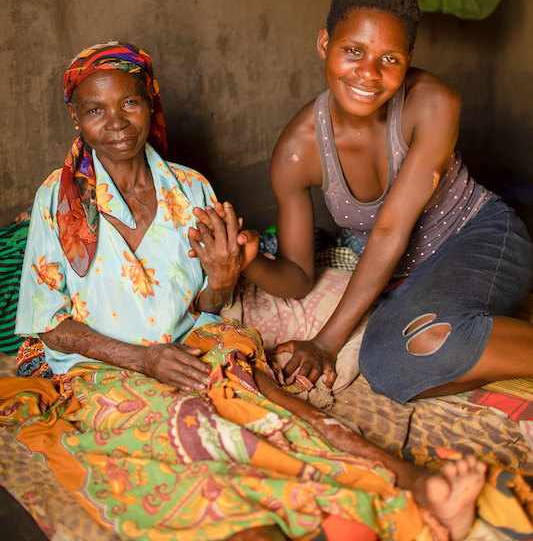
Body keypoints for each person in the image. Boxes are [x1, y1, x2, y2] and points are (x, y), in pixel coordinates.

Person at [1, 41, 486, 541]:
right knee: (189, 425)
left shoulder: (190, 191)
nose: (116, 121)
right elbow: (48, 327)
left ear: (150, 101)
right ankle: (268, 523)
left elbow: (208, 307)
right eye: (95, 110)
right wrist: (143, 361)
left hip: (196, 351)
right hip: (101, 368)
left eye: (128, 102)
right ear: (76, 118)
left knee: (283, 412)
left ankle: (414, 486)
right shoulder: (55, 202)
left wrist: (224, 278)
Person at [226, 0, 533, 405]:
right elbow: (296, 277)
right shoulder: (298, 152)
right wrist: (249, 262)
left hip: (479, 239)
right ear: (324, 44)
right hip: (406, 277)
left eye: (390, 58)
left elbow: (390, 230)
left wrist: (326, 342)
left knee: (422, 347)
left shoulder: (433, 103)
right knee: (386, 367)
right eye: (352, 50)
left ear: (408, 58)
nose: (368, 73)